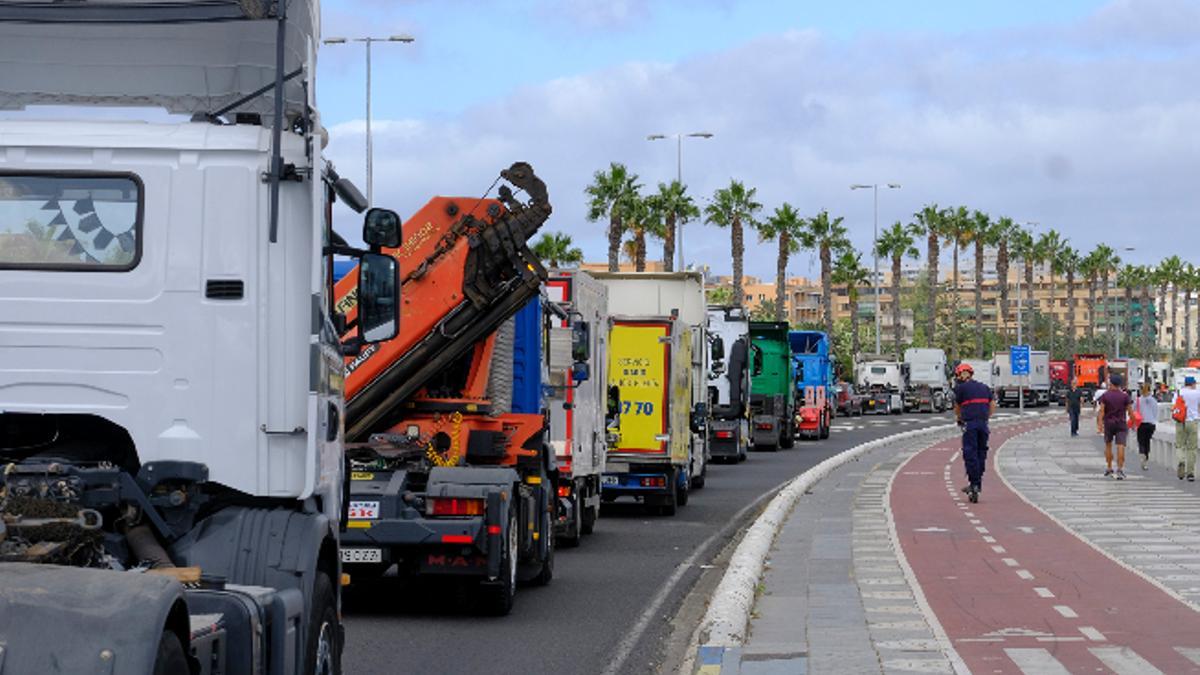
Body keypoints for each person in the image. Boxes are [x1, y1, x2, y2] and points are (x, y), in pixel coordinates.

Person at [953, 362, 995, 504]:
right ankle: (977, 483)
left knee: (970, 453)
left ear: (959, 375)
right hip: (983, 424)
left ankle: (974, 484)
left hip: (970, 424)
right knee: (981, 452)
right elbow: (992, 404)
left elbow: (957, 407)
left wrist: (959, 419)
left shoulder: (960, 389)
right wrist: (986, 418)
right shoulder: (984, 387)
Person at [1096, 374, 1133, 479]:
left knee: (1108, 445)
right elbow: (1130, 411)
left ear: (1111, 383)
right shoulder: (1125, 396)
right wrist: (1134, 422)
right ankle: (1120, 469)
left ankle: (1109, 467)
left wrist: (1099, 425)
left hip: (1108, 423)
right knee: (1121, 446)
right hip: (1121, 423)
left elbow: (1102, 411)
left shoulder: (1105, 395)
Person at [1175, 376, 1200, 481]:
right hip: (1193, 421)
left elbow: (1174, 406)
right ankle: (1190, 473)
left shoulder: (1179, 392)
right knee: (1192, 448)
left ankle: (1181, 461)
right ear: (1193, 384)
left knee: (1180, 445)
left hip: (1180, 421)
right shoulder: (1197, 393)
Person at [1136, 383, 1158, 471]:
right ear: (1150, 390)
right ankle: (1146, 457)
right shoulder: (1153, 400)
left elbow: (1134, 410)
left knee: (1141, 441)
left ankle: (1142, 453)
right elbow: (1155, 412)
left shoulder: (1138, 400)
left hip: (1141, 423)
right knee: (1147, 441)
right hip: (1150, 424)